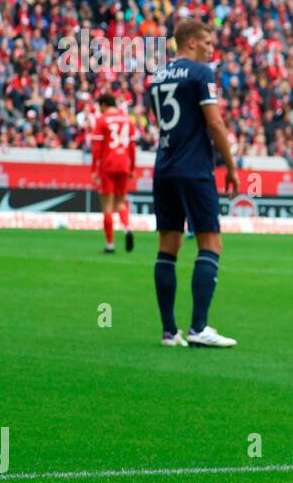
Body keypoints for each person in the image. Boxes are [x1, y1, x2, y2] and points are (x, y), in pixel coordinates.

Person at [146, 20, 239, 347]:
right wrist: (230, 167)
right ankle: (199, 328)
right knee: (210, 244)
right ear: (189, 43)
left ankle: (169, 332)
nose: (211, 49)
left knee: (167, 246)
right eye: (207, 43)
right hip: (194, 168)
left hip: (164, 167)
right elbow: (214, 123)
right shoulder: (200, 74)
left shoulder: (156, 76)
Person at [88, 92, 135, 253]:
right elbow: (132, 147)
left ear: (103, 105)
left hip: (107, 164)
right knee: (121, 202)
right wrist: (132, 167)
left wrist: (94, 169)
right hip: (124, 163)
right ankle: (127, 228)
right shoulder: (127, 120)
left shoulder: (102, 120)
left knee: (107, 206)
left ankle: (110, 244)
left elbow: (97, 148)